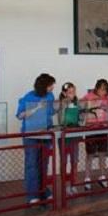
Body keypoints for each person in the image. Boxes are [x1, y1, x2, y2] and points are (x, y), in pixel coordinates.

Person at [16, 73, 55, 204]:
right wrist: (37, 107)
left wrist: (62, 104)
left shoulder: (50, 96)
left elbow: (51, 112)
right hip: (31, 136)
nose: (52, 88)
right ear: (43, 86)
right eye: (50, 85)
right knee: (32, 164)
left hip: (45, 134)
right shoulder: (28, 96)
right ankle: (32, 194)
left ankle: (44, 190)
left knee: (44, 163)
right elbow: (20, 115)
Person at [80, 79, 108, 190]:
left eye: (105, 89)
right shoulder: (89, 95)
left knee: (102, 153)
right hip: (91, 128)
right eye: (101, 89)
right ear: (97, 88)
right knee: (90, 154)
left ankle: (102, 176)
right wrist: (91, 104)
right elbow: (80, 104)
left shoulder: (107, 98)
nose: (103, 91)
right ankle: (87, 178)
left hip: (103, 128)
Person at [56, 82, 80, 196]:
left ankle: (73, 184)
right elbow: (60, 120)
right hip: (64, 136)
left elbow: (79, 118)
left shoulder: (77, 102)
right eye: (70, 92)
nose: (72, 94)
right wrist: (64, 105)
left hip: (74, 135)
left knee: (75, 161)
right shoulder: (61, 103)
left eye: (74, 91)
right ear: (64, 93)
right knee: (64, 162)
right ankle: (64, 186)